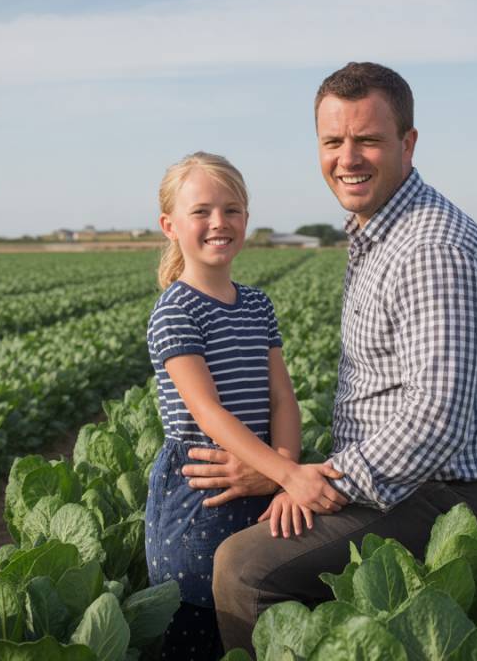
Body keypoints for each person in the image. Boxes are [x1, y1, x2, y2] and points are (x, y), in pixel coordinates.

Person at [184, 63, 477, 654]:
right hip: (389, 475)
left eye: (368, 140)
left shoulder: (430, 247)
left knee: (243, 567)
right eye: (333, 141)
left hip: (434, 494)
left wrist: (319, 483)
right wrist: (289, 469)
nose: (348, 157)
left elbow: (436, 417)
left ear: (407, 144)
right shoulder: (380, 231)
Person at [145, 152, 346, 660]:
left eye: (232, 210)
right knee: (200, 620)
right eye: (202, 211)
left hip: (262, 477)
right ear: (170, 226)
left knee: (261, 612)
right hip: (202, 490)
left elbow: (283, 397)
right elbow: (208, 413)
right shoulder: (175, 308)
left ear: (247, 221)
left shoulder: (257, 304)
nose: (219, 223)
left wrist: (285, 475)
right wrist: (288, 471)